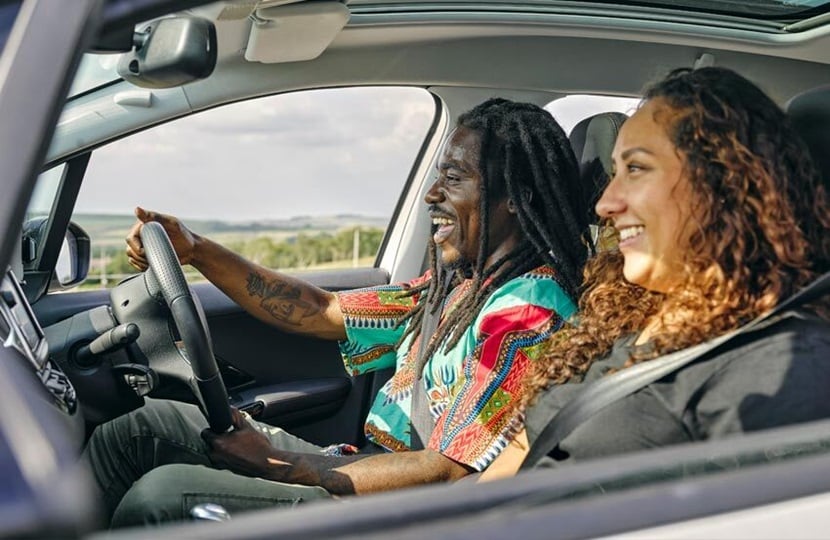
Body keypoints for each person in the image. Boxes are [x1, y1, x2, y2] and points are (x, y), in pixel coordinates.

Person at [84, 98, 594, 526]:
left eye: (454, 178)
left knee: (162, 496)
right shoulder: (456, 289)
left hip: (403, 513)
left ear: (515, 201)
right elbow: (318, 309)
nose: (431, 195)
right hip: (365, 471)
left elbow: (449, 472)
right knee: (141, 426)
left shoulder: (529, 314)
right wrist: (195, 249)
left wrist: (282, 465)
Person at [481, 67, 830, 475]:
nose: (605, 204)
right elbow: (524, 448)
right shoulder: (633, 315)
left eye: (636, 168)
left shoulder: (785, 363)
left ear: (725, 185)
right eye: (614, 172)